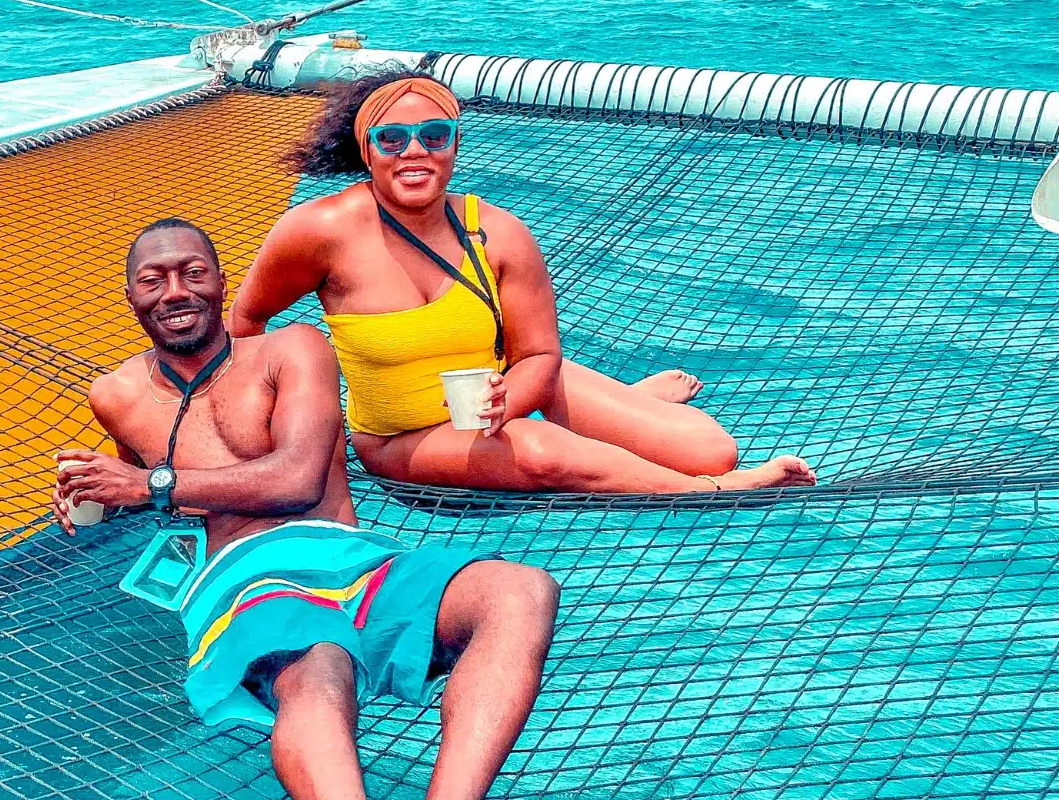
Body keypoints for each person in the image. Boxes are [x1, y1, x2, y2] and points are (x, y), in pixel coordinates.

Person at [52, 218, 554, 800]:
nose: (175, 291)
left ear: (224, 282)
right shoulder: (114, 393)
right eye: (153, 279)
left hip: (353, 559)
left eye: (192, 272)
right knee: (313, 658)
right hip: (241, 579)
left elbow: (295, 478)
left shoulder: (294, 348)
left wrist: (148, 482)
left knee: (519, 589)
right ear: (129, 297)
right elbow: (148, 494)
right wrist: (93, 503)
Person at [227, 73, 818, 495]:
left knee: (709, 448)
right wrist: (262, 434)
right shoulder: (318, 231)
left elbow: (537, 354)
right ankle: (709, 491)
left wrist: (513, 397)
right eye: (392, 139)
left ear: (454, 144)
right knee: (540, 452)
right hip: (400, 438)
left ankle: (636, 410)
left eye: (434, 136)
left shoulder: (499, 233)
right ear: (367, 148)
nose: (415, 152)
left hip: (500, 401)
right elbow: (246, 322)